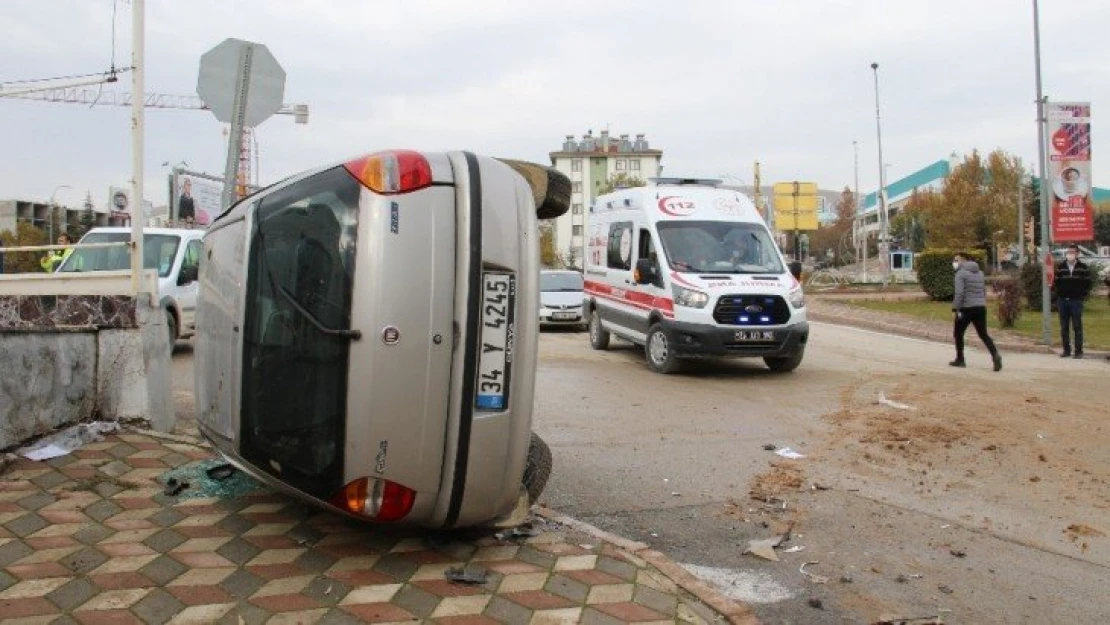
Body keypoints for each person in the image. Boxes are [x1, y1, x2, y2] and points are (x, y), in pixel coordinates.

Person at [950, 252, 1001, 371]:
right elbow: (983, 291)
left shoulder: (960, 274)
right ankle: (995, 355)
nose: (954, 263)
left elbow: (959, 293)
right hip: (980, 307)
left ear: (963, 261)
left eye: (956, 260)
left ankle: (960, 359)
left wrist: (955, 308)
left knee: (958, 333)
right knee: (983, 334)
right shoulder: (980, 273)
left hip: (966, 308)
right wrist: (982, 302)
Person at [1054, 244, 1091, 358]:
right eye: (1068, 252)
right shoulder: (1061, 266)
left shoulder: (1083, 267)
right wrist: (1059, 295)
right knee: (1064, 327)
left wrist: (1082, 295)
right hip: (1063, 301)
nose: (1070, 254)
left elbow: (1088, 283)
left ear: (1077, 253)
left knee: (1077, 326)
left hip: (1076, 301)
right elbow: (1057, 282)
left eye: (1072, 252)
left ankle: (1078, 351)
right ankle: (1066, 350)